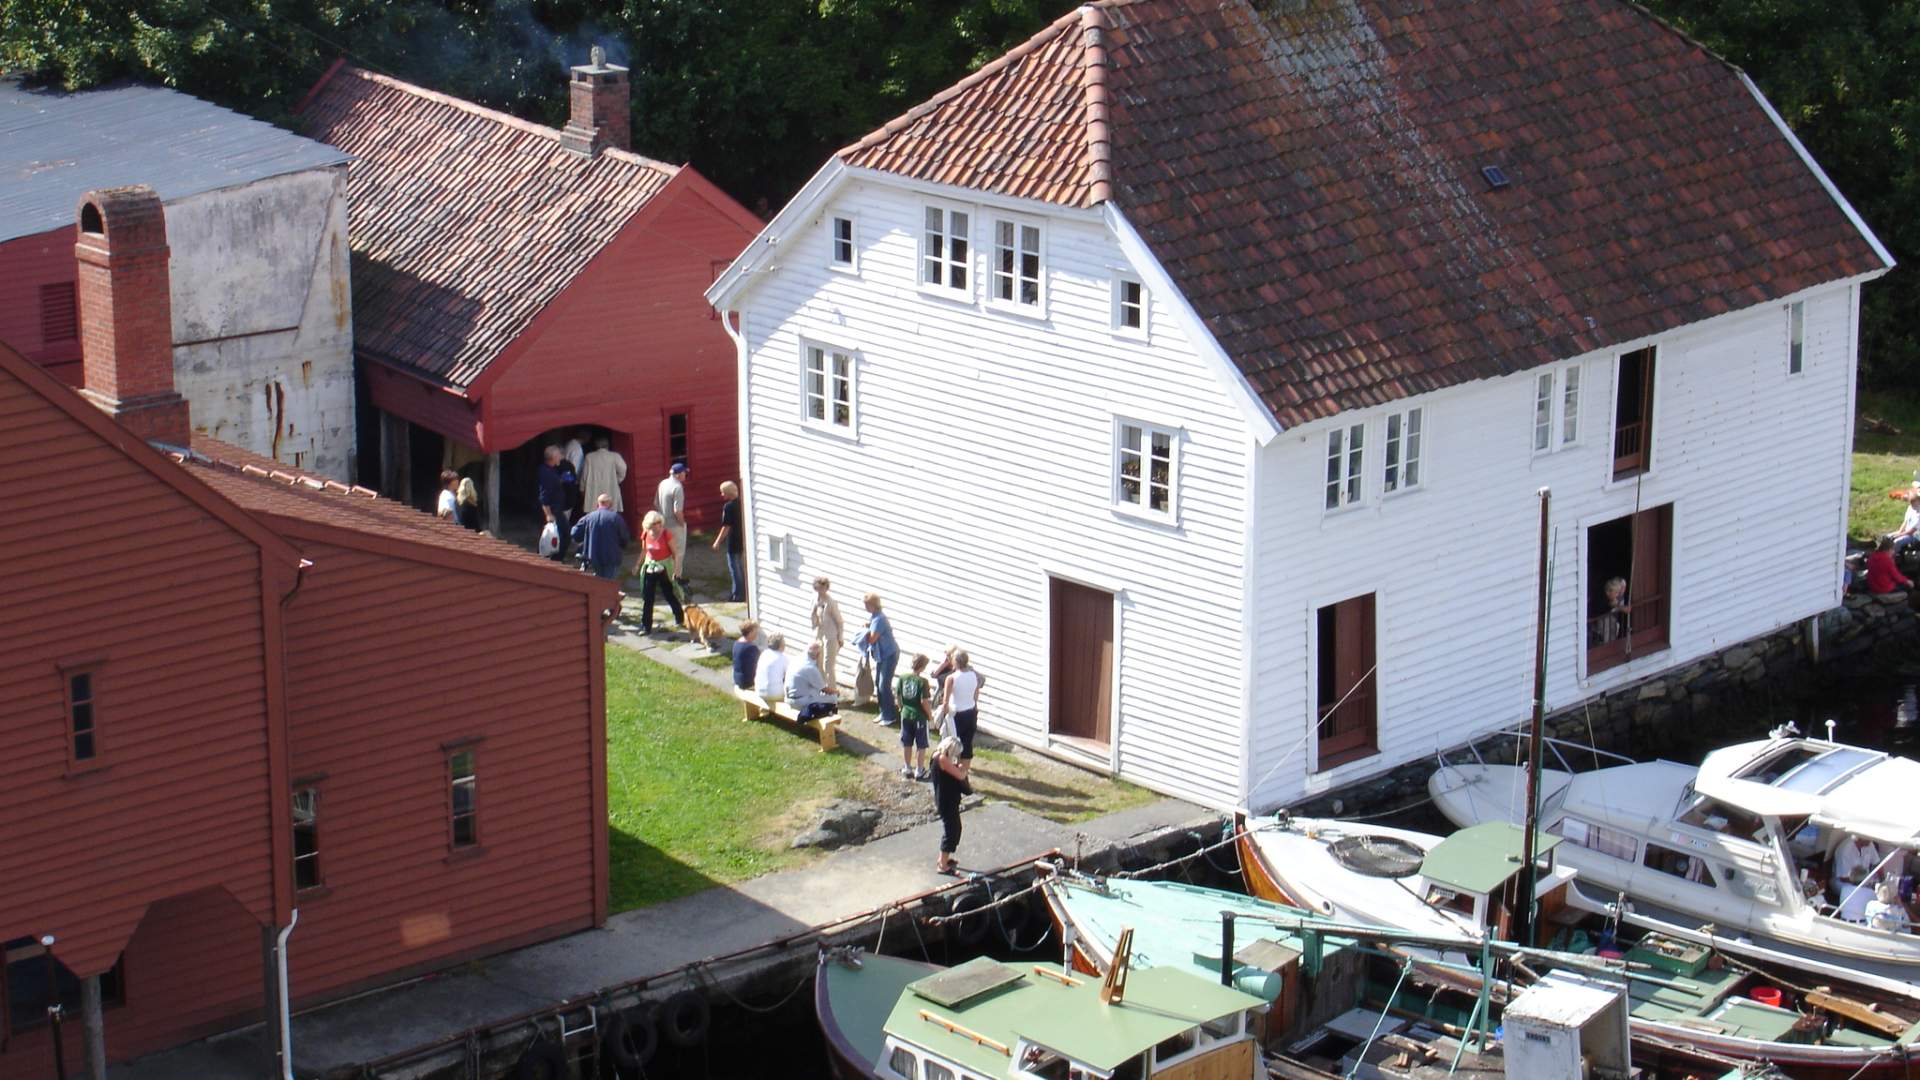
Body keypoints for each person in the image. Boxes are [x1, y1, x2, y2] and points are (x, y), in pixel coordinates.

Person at [636, 510, 685, 633]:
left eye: (659, 523)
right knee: (648, 597)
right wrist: (637, 565)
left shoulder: (666, 534)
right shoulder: (646, 534)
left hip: (664, 567)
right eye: (654, 524)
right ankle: (646, 626)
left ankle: (680, 617)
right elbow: (644, 551)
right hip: (650, 566)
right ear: (648, 525)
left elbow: (676, 554)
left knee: (669, 594)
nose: (657, 526)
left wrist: (676, 570)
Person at [930, 735, 972, 875]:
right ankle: (942, 865)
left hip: (945, 799)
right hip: (947, 801)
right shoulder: (942, 759)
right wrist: (963, 769)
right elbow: (960, 776)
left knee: (954, 828)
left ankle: (944, 858)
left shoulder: (936, 756)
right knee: (952, 831)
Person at [571, 493, 632, 579]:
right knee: (609, 584)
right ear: (610, 504)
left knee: (597, 583)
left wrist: (583, 540)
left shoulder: (589, 517)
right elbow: (624, 537)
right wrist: (622, 547)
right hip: (611, 556)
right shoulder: (616, 518)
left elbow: (574, 533)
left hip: (592, 556)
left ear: (597, 504)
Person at [862, 594, 900, 727]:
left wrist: (864, 633)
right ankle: (883, 712)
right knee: (878, 683)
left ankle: (890, 716)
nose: (866, 607)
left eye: (867, 605)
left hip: (889, 654)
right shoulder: (874, 617)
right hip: (881, 655)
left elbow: (872, 638)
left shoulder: (880, 619)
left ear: (874, 605)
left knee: (884, 684)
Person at [941, 649, 984, 756]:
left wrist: (944, 714)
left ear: (955, 662)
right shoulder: (974, 676)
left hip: (956, 713)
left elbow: (945, 701)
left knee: (953, 742)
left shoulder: (951, 678)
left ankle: (953, 767)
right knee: (967, 743)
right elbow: (975, 695)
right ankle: (964, 770)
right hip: (971, 712)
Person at [897, 654, 933, 780]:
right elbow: (924, 701)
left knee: (907, 742)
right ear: (922, 667)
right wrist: (930, 715)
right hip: (919, 716)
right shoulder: (923, 682)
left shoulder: (902, 677)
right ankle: (919, 769)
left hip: (906, 714)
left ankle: (907, 767)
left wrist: (901, 708)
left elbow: (899, 696)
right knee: (921, 744)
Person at [787, 643, 840, 721]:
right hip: (799, 702)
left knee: (816, 692)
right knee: (833, 697)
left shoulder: (796, 660)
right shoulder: (811, 668)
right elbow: (825, 689)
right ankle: (825, 717)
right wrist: (836, 692)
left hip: (788, 697)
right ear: (818, 655)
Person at [713, 481, 746, 602]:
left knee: (734, 568)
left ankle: (738, 595)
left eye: (723, 492)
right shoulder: (742, 502)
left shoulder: (728, 507)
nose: (721, 494)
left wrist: (717, 541)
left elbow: (726, 527)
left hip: (733, 540)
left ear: (728, 493)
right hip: (742, 538)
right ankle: (742, 591)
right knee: (740, 566)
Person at [656, 462, 688, 584]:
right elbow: (677, 510)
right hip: (675, 525)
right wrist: (682, 523)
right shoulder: (678, 487)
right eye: (685, 472)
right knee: (678, 553)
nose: (686, 475)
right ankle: (676, 579)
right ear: (679, 474)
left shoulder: (662, 483)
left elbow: (656, 503)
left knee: (666, 553)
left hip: (663, 524)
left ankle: (665, 578)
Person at [537, 446, 572, 561]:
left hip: (557, 508)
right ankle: (555, 560)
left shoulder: (549, 469)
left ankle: (549, 558)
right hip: (553, 510)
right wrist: (548, 514)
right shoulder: (547, 473)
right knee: (563, 536)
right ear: (553, 458)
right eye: (558, 456)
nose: (560, 458)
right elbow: (544, 496)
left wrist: (561, 480)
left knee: (554, 536)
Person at [580, 434, 628, 514]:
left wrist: (582, 489)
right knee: (611, 514)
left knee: (594, 515)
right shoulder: (614, 456)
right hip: (610, 488)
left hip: (593, 490)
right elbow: (623, 469)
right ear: (608, 445)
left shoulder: (589, 457)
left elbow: (584, 476)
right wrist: (617, 480)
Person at [812, 577, 845, 692]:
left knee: (828, 666)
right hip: (819, 636)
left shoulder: (831, 602)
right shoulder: (815, 599)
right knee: (818, 663)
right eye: (818, 588)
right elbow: (814, 617)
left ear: (826, 588)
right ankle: (822, 689)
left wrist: (840, 638)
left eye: (823, 588)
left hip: (831, 637)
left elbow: (839, 621)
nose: (820, 590)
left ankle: (832, 692)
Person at [1590, 577, 1629, 645]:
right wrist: (1622, 608)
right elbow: (1613, 605)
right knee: (1606, 638)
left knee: (1612, 635)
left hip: (1611, 620)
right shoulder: (1603, 598)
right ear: (1609, 591)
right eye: (1616, 592)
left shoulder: (1615, 597)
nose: (1617, 594)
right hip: (1602, 620)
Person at [754, 632, 789, 699]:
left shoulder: (764, 653)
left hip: (759, 691)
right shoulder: (783, 658)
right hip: (773, 693)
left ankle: (766, 709)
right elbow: (788, 675)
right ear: (781, 645)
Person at [731, 619, 762, 691]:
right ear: (750, 632)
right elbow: (758, 666)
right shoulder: (751, 648)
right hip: (747, 682)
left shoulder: (737, 643)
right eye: (755, 632)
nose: (756, 634)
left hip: (737, 679)